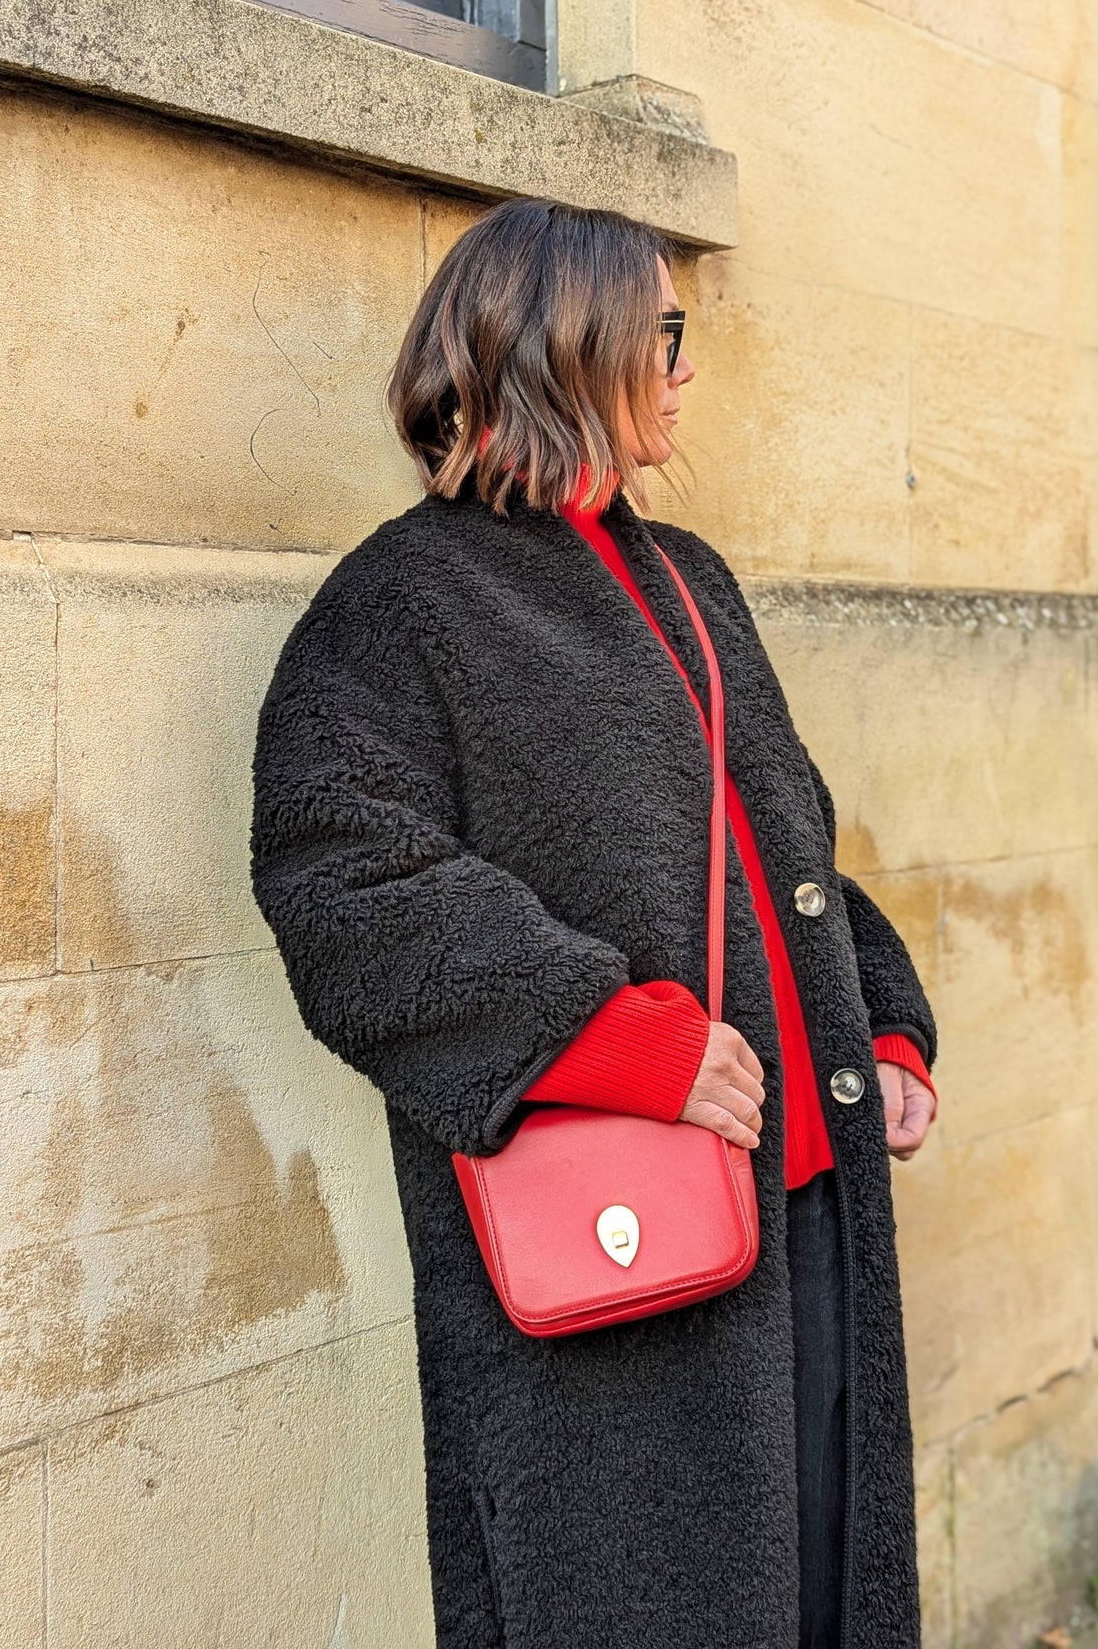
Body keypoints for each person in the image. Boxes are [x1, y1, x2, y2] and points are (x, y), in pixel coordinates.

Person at [251, 199, 939, 1649]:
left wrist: (879, 1019)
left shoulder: (690, 579)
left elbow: (789, 836)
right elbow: (341, 885)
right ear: (570, 348)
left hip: (805, 1203)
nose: (686, 367)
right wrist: (610, 1035)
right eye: (664, 333)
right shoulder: (403, 602)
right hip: (625, 1236)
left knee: (820, 1590)